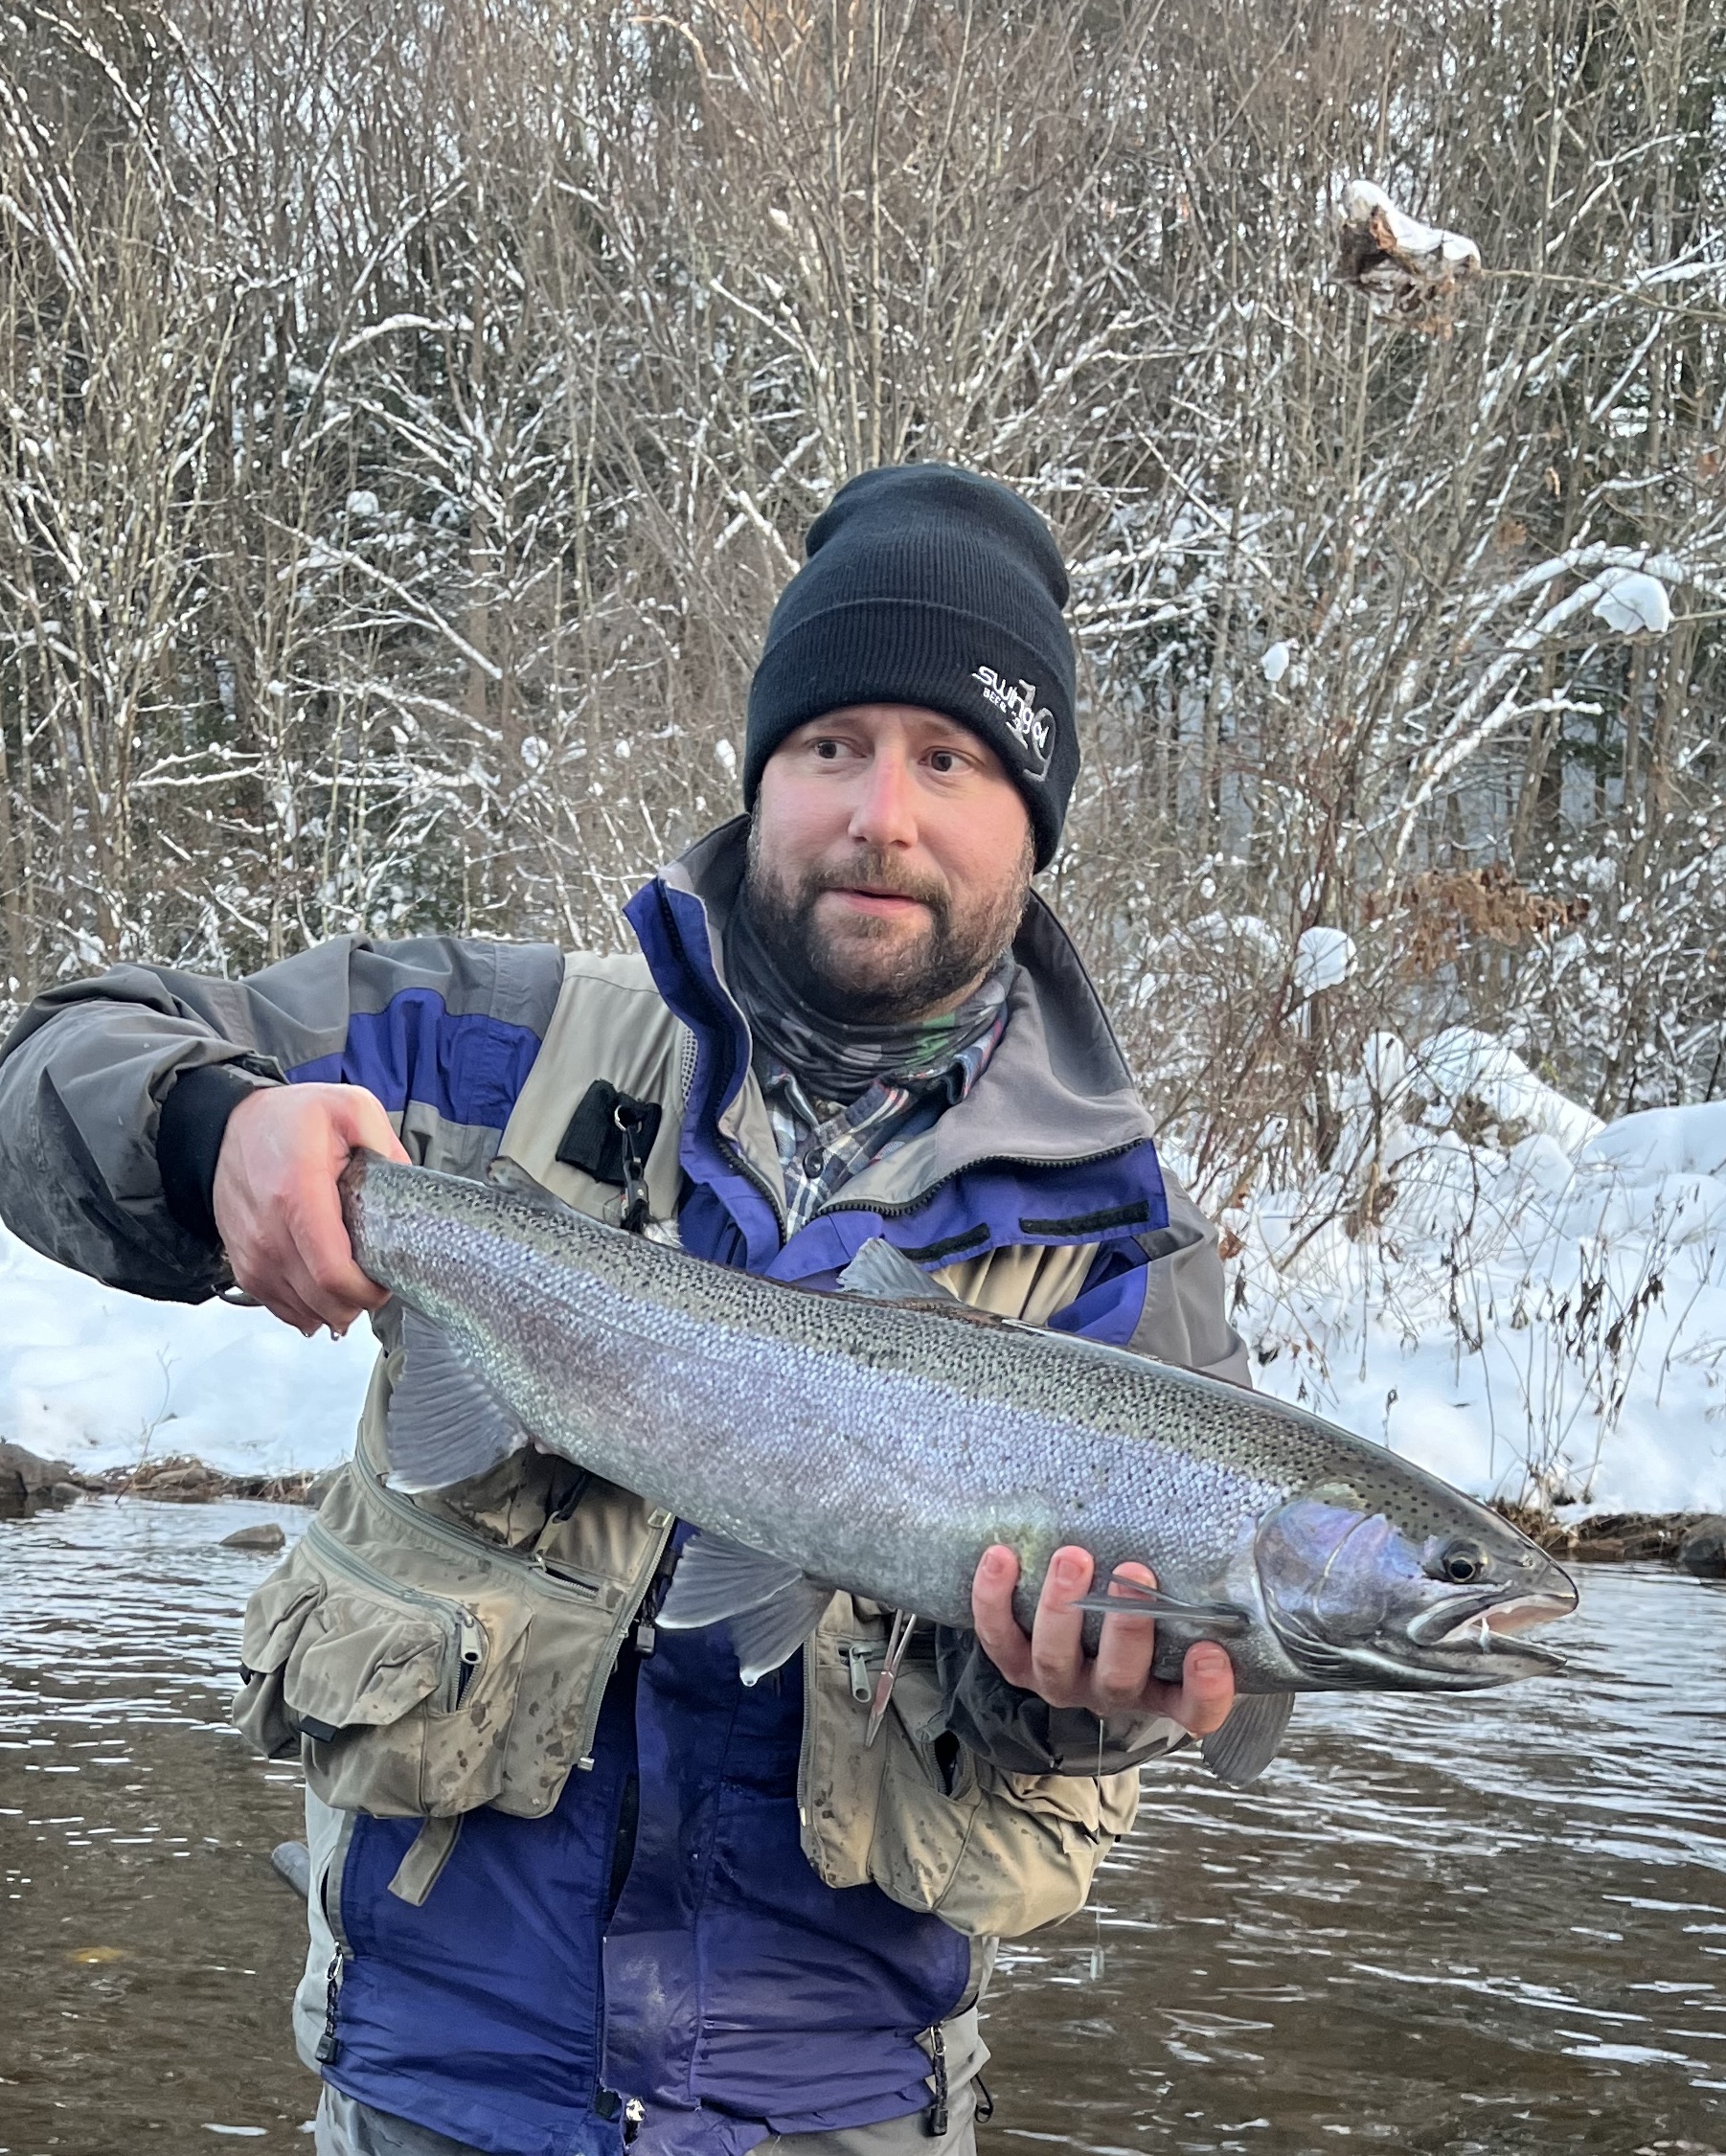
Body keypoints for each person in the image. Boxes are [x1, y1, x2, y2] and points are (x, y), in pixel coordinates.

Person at [0, 464, 1247, 2156]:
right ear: (761, 777)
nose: (882, 813)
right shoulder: (491, 1045)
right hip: (433, 2094)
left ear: (1033, 823)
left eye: (950, 759)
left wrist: (1069, 1701)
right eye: (832, 746)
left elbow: (1173, 1712)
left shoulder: (1120, 1250)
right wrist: (209, 1129)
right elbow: (55, 1055)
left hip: (835, 2116)